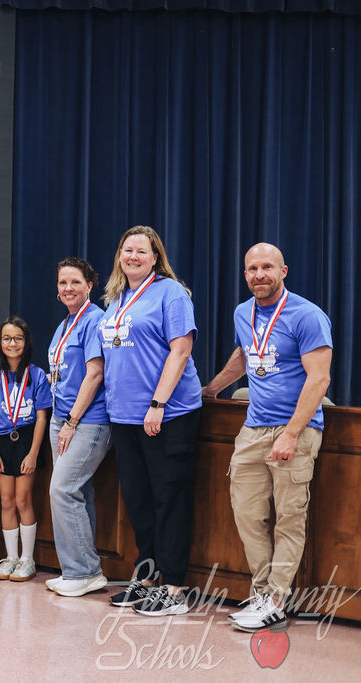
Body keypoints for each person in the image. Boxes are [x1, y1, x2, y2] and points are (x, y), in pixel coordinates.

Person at [202, 243, 332, 632]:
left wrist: (291, 433)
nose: (259, 275)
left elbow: (320, 377)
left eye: (267, 268)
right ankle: (261, 594)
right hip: (252, 430)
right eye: (251, 269)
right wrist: (214, 387)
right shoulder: (244, 311)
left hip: (295, 431)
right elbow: (246, 354)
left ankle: (276, 599)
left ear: (283, 271)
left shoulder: (308, 316)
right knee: (247, 515)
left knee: (288, 520)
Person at [99, 226, 202, 616]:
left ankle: (174, 590)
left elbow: (181, 349)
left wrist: (158, 403)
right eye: (127, 250)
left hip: (167, 414)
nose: (133, 257)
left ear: (155, 257)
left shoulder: (170, 293)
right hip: (125, 418)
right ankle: (146, 580)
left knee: (169, 500)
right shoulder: (116, 299)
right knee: (140, 503)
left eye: (142, 251)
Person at [44, 258, 112, 597]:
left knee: (62, 489)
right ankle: (78, 571)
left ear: (89, 285)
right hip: (61, 417)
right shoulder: (65, 324)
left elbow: (95, 373)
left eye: (74, 282)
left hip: (87, 420)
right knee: (77, 493)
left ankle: (84, 571)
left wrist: (71, 421)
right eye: (62, 283)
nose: (67, 288)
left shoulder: (94, 321)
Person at [0, 316, 51, 583]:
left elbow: (42, 417)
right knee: (6, 500)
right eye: (7, 338)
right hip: (1, 441)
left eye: (18, 338)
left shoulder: (37, 374)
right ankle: (11, 558)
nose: (12, 343)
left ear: (26, 341)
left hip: (28, 440)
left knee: (23, 500)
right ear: (0, 342)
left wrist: (33, 453)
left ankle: (28, 560)